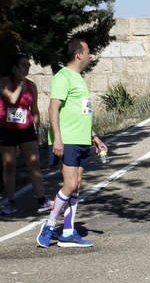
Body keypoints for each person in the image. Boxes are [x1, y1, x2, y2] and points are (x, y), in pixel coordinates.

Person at [36, 39, 107, 248]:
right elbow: (52, 109)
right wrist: (57, 138)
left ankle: (68, 231)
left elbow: (82, 112)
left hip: (82, 139)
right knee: (68, 185)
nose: (90, 55)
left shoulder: (78, 78)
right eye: (88, 52)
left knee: (76, 186)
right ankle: (49, 227)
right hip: (67, 140)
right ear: (78, 55)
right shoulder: (63, 77)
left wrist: (94, 137)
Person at [0, 54, 52, 215]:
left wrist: (39, 128)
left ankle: (42, 199)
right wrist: (21, 82)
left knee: (34, 163)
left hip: (26, 128)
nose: (27, 68)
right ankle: (10, 201)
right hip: (6, 128)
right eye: (23, 65)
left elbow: (34, 110)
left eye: (28, 65)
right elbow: (13, 99)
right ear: (14, 67)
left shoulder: (32, 86)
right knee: (10, 165)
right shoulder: (3, 82)